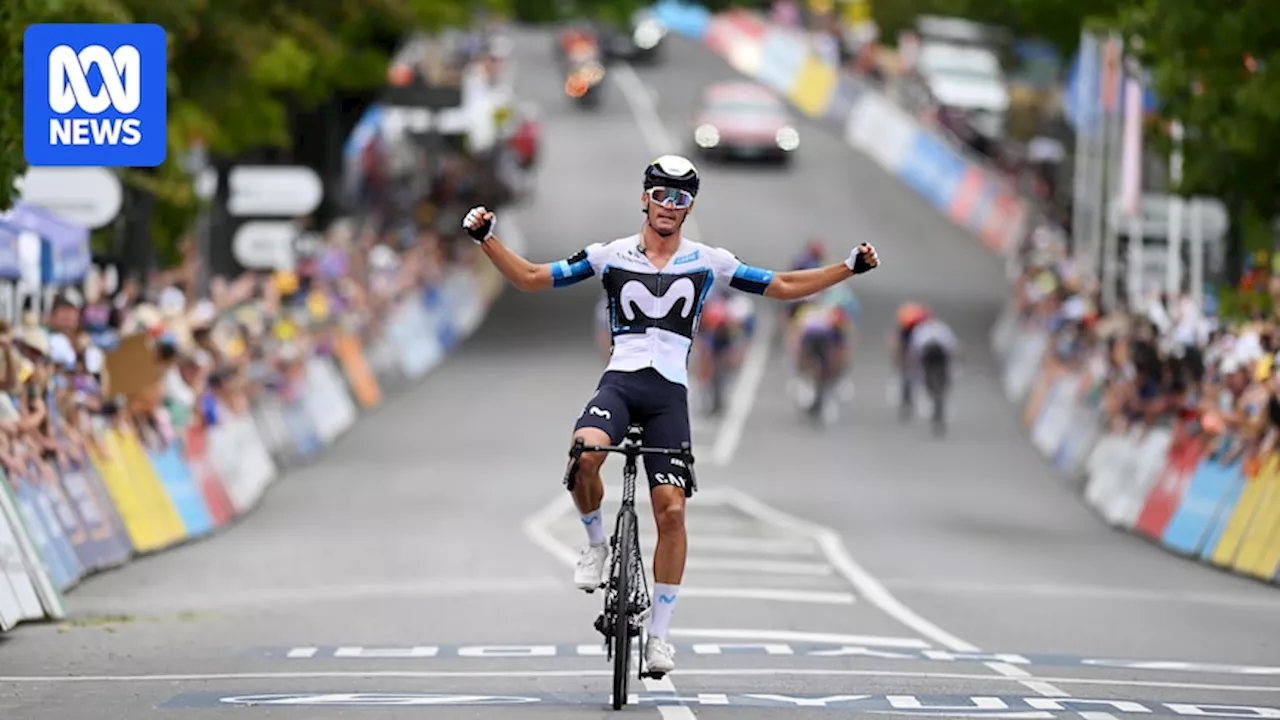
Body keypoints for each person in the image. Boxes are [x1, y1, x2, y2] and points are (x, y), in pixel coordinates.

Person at [461, 154, 880, 676]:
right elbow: (528, 277)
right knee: (585, 454)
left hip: (668, 397)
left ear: (690, 208)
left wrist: (847, 268)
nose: (668, 206)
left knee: (673, 512)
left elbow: (781, 286)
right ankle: (596, 545)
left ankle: (659, 638)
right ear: (644, 198)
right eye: (661, 195)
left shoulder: (710, 261)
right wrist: (487, 239)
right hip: (620, 383)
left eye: (680, 199)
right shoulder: (608, 255)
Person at [894, 303, 960, 435]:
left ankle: (937, 400)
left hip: (934, 356)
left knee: (936, 384)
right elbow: (953, 346)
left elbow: (914, 350)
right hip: (932, 357)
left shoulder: (923, 330)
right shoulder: (937, 328)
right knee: (935, 384)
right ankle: (933, 397)